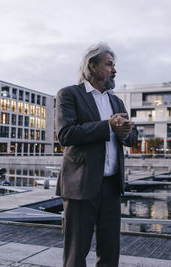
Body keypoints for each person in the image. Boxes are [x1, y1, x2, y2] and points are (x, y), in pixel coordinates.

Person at [55, 43, 138, 267]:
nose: (114, 70)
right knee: (76, 252)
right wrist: (107, 126)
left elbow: (132, 138)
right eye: (109, 64)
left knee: (110, 251)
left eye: (114, 65)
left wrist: (125, 131)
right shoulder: (69, 94)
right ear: (92, 65)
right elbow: (65, 134)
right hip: (80, 185)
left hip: (112, 186)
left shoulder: (116, 101)